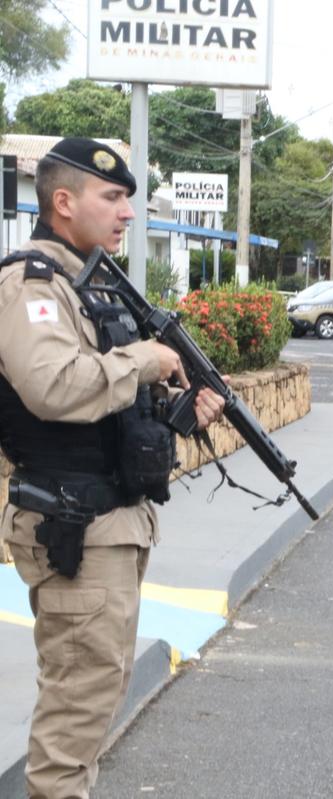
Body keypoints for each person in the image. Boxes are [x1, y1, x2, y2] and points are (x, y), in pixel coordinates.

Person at [0, 138, 226, 799]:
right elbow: (53, 387)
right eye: (114, 197)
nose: (128, 212)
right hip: (73, 523)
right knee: (74, 715)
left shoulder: (89, 285)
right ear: (63, 203)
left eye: (129, 198)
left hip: (110, 521)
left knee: (94, 696)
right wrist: (146, 362)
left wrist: (179, 412)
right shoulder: (31, 285)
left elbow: (110, 410)